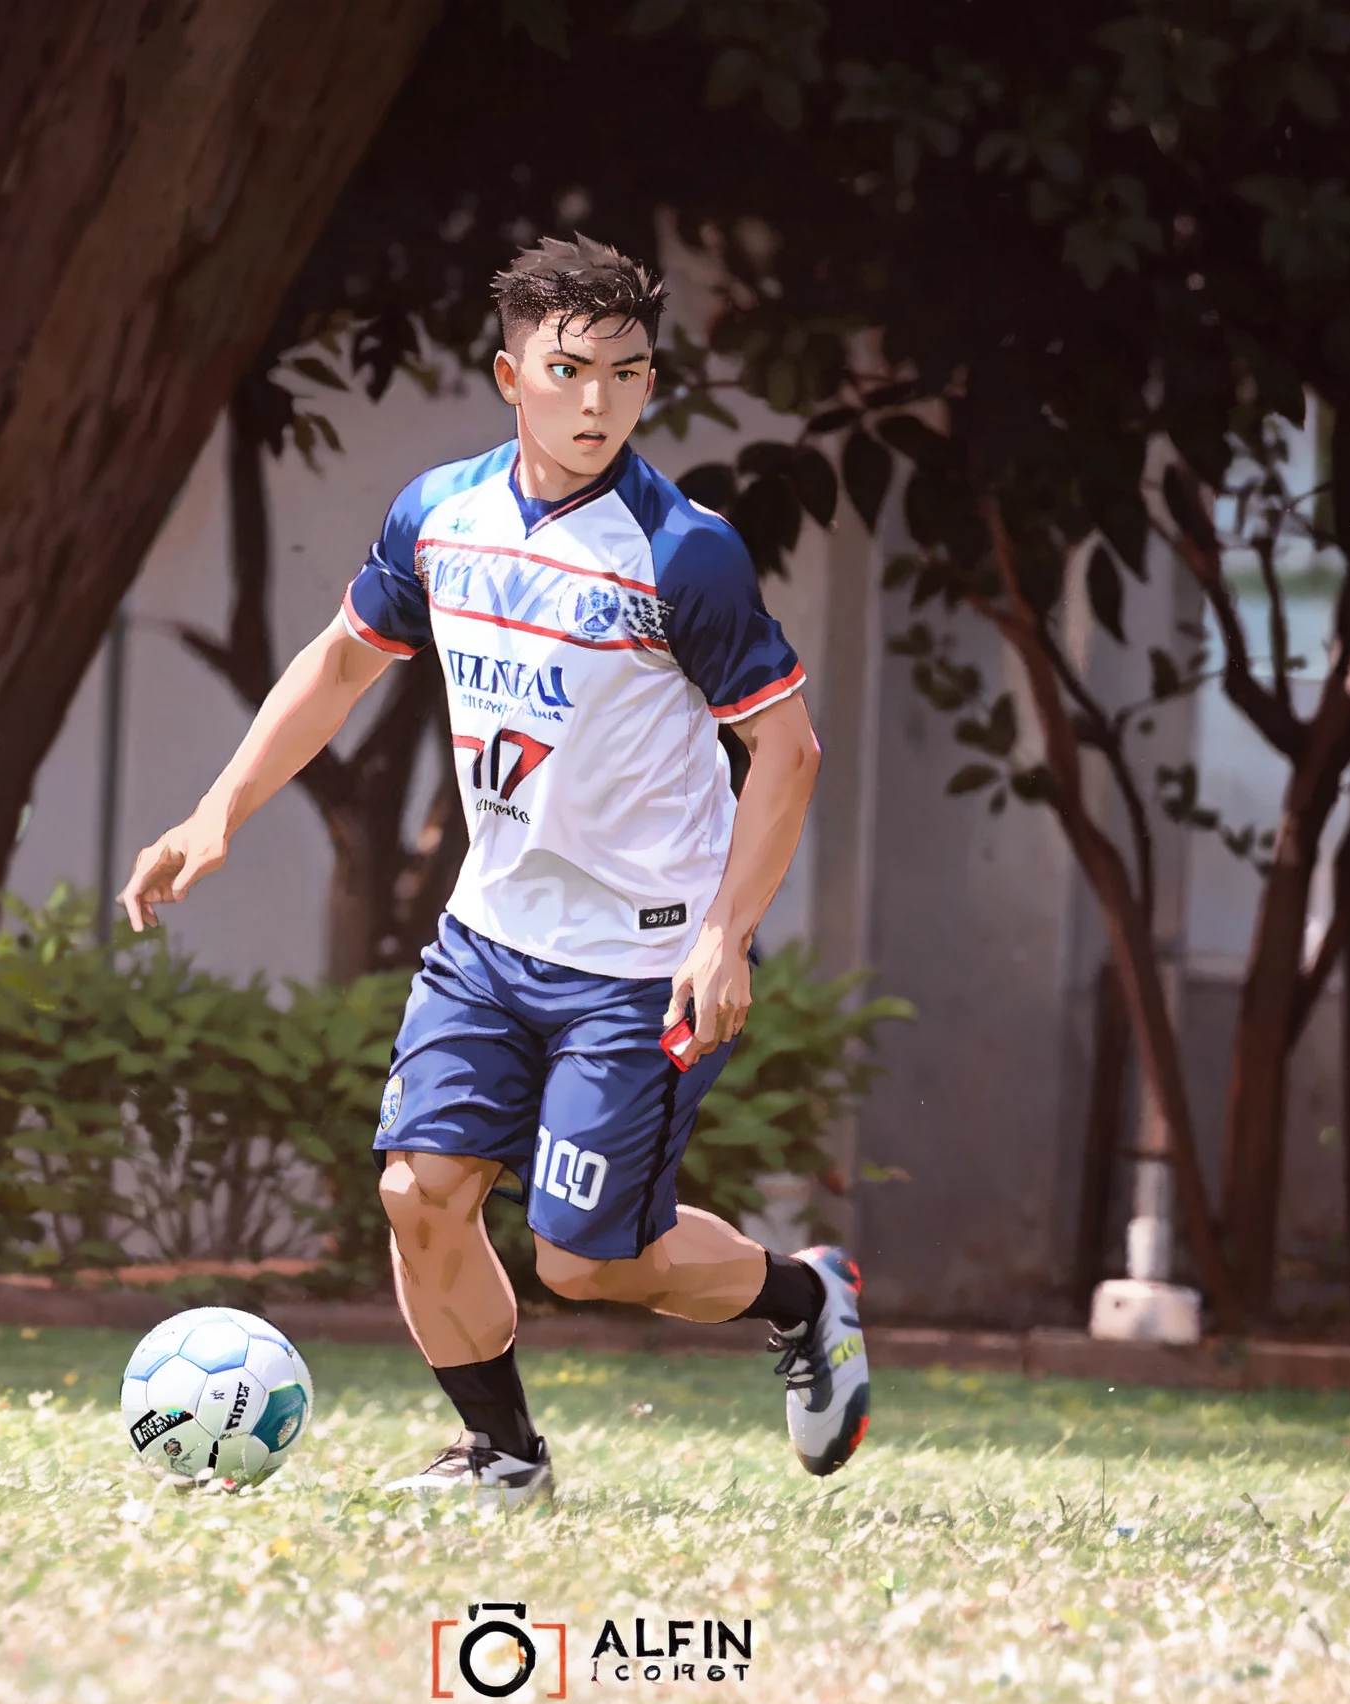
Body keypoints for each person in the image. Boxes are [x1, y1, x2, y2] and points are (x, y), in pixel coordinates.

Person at [120, 234, 868, 1505]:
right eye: (567, 370)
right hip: (489, 938)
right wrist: (215, 811)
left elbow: (784, 754)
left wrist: (724, 934)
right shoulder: (439, 517)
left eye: (625, 375)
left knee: (583, 1262)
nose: (596, 402)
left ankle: (807, 1297)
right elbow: (343, 663)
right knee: (417, 1193)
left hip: (641, 965)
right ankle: (503, 1456)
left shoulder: (682, 555)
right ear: (508, 372)